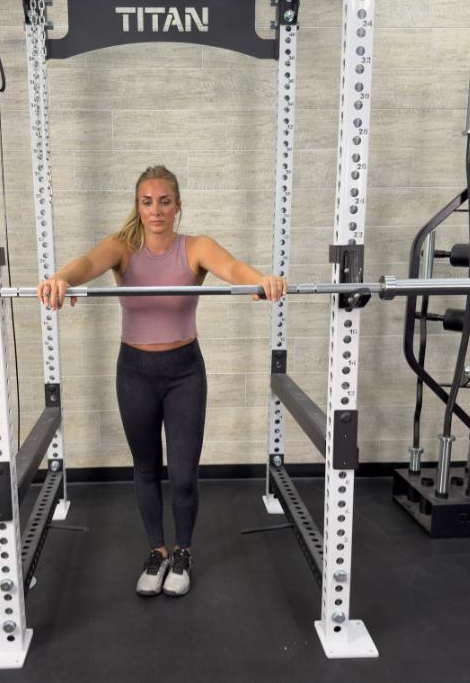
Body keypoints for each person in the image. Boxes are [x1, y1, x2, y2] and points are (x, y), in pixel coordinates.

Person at [36, 165, 286, 597]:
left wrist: (261, 281)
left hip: (185, 373)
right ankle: (157, 551)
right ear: (138, 206)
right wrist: (61, 278)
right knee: (146, 468)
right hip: (134, 372)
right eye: (147, 202)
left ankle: (183, 552)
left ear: (177, 207)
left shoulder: (195, 248)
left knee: (184, 474)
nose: (156, 210)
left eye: (164, 202)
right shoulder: (123, 248)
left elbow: (233, 268)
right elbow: (86, 264)